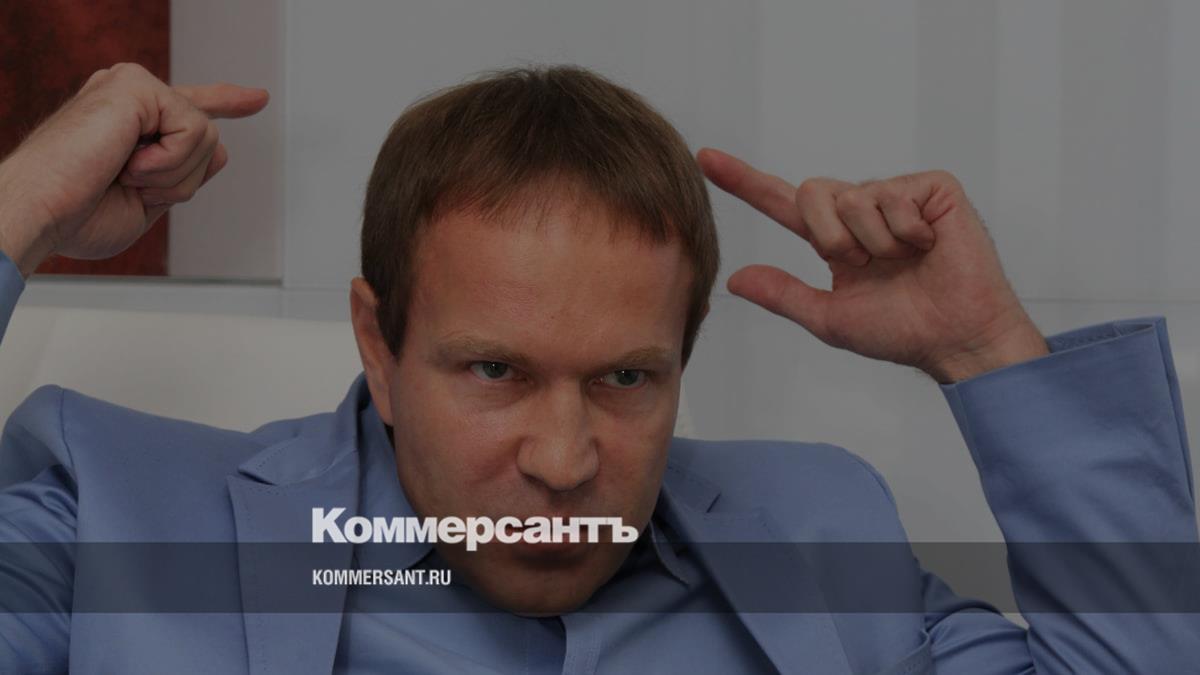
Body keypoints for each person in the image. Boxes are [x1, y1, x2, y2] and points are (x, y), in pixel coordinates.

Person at [0, 62, 1196, 674]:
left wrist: (985, 351)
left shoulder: (820, 535)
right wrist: (19, 212)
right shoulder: (114, 517)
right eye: (494, 371)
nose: (566, 463)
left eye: (627, 379)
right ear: (378, 342)